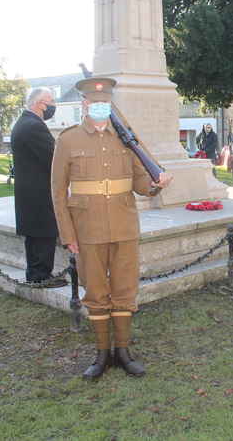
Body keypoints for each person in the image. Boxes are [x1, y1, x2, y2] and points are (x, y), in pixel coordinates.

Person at [51, 77, 171, 381]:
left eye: (105, 103)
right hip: (87, 229)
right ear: (84, 105)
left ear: (111, 106)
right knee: (95, 292)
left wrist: (156, 186)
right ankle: (102, 353)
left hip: (124, 225)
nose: (100, 107)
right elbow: (57, 192)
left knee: (124, 290)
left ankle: (123, 352)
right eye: (94, 102)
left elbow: (140, 182)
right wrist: (68, 236)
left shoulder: (126, 140)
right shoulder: (68, 140)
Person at [10, 87, 65, 287]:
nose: (52, 106)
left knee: (35, 236)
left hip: (29, 191)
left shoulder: (24, 123)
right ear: (38, 103)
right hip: (39, 192)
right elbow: (54, 158)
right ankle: (41, 276)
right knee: (44, 233)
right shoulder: (34, 125)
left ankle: (35, 273)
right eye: (49, 101)